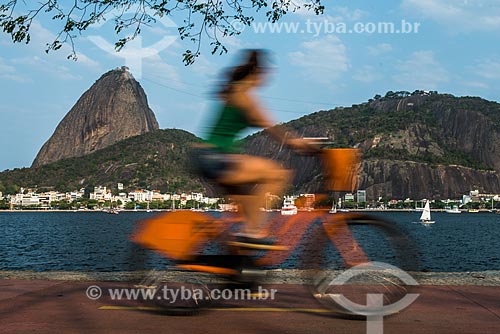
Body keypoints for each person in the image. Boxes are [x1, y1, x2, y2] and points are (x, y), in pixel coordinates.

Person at [195, 49, 312, 248]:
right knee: (278, 174)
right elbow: (269, 125)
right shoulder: (242, 94)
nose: (266, 77)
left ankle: (241, 263)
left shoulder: (236, 91)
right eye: (265, 72)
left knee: (248, 204)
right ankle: (252, 232)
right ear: (256, 71)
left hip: (208, 157)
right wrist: (296, 142)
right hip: (215, 158)